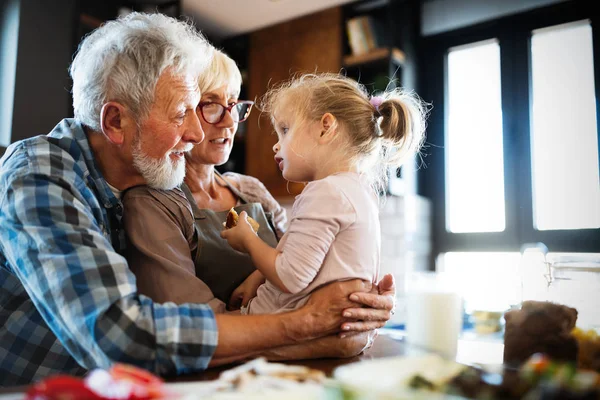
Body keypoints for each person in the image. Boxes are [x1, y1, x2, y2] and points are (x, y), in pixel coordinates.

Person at [0, 13, 394, 388]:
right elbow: (124, 337)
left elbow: (313, 269)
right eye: (181, 114)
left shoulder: (142, 180)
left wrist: (359, 302)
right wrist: (310, 323)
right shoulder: (40, 173)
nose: (195, 132)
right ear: (115, 122)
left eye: (198, 109)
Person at [221, 72, 427, 315]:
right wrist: (257, 276)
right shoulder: (359, 191)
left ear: (325, 128)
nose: (276, 145)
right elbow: (307, 259)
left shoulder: (324, 192)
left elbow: (290, 277)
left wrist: (248, 240)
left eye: (285, 130)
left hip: (274, 328)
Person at [122, 49, 286, 312]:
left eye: (233, 104)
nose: (229, 122)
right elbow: (192, 320)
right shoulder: (153, 203)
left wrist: (261, 275)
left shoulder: (250, 189)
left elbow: (302, 256)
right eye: (210, 105)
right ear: (178, 113)